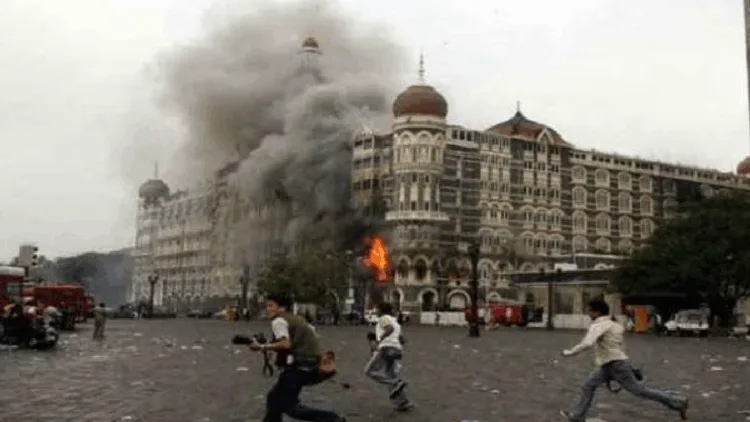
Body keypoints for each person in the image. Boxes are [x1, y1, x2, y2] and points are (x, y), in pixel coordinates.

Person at [559, 299, 689, 421]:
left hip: (615, 365)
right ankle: (578, 416)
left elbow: (587, 343)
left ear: (597, 312)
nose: (588, 314)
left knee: (640, 391)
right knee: (588, 385)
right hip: (610, 365)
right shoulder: (615, 325)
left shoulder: (599, 325)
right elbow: (620, 346)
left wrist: (569, 352)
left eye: (589, 311)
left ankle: (679, 402)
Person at [250, 293, 345, 422]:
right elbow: (311, 335)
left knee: (290, 406)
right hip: (310, 364)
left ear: (282, 308)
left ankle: (332, 419)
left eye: (271, 306)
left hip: (299, 367)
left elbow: (285, 344)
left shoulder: (278, 321)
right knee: (274, 398)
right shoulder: (297, 319)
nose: (268, 309)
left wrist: (262, 347)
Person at [364, 302, 413, 411]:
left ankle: (397, 383)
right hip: (397, 351)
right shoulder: (395, 321)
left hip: (386, 349)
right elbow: (402, 339)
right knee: (390, 375)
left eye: (376, 309)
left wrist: (378, 340)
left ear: (381, 310)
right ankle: (402, 402)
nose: (375, 311)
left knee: (369, 371)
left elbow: (389, 329)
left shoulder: (383, 318)